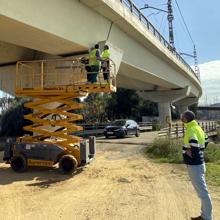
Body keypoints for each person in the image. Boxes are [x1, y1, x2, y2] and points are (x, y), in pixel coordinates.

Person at [181, 111, 212, 220]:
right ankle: (204, 216)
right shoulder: (197, 127)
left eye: (182, 117)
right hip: (198, 164)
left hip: (195, 165)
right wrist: (200, 151)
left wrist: (193, 154)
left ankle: (207, 218)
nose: (181, 119)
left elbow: (193, 143)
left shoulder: (191, 129)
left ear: (186, 119)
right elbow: (206, 139)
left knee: (203, 193)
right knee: (202, 192)